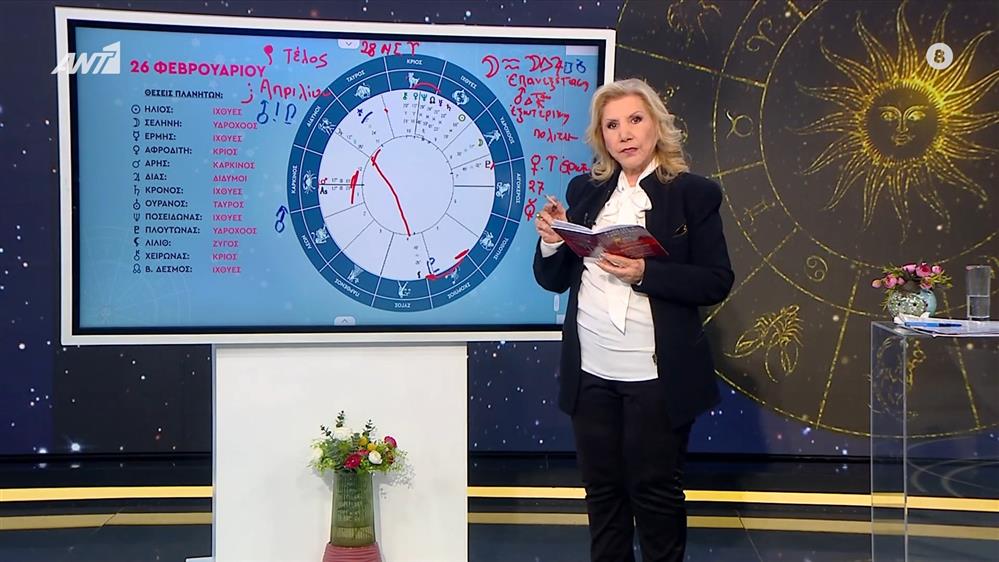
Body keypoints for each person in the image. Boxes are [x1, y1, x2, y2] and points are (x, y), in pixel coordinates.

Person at [533, 78, 734, 562]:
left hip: (655, 376)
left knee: (654, 494)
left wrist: (646, 273)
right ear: (601, 137)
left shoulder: (694, 194)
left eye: (635, 120)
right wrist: (553, 241)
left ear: (657, 126)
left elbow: (715, 281)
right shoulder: (584, 191)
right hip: (591, 372)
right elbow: (553, 280)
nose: (624, 133)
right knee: (603, 493)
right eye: (612, 125)